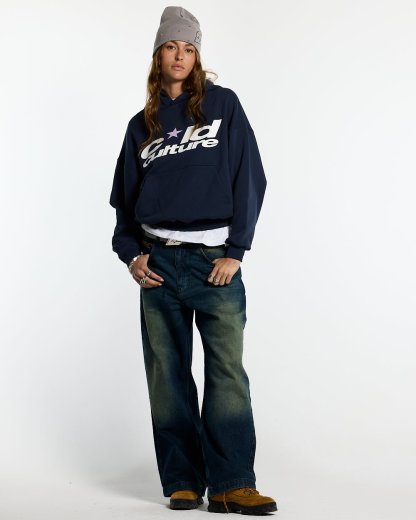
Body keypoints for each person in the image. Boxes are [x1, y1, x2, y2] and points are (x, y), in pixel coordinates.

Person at [109, 6, 277, 515]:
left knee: (227, 374)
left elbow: (251, 177)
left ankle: (232, 483)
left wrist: (236, 251)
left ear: (197, 56)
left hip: (214, 264)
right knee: (167, 377)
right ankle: (182, 480)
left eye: (189, 48)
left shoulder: (223, 106)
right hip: (158, 267)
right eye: (171, 46)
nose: (180, 55)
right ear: (157, 55)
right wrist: (132, 256)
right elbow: (124, 204)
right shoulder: (141, 126)